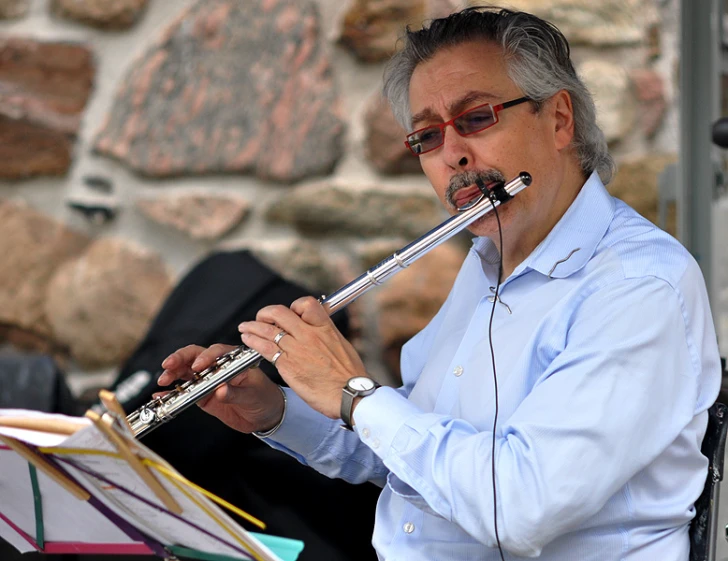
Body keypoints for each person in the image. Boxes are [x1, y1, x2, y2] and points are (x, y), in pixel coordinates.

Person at [158, 6, 722, 560]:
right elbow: (413, 452)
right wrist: (279, 411)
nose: (452, 154)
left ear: (559, 120)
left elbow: (519, 508)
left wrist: (355, 395)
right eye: (427, 136)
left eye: (476, 118)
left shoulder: (637, 286)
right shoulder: (486, 262)